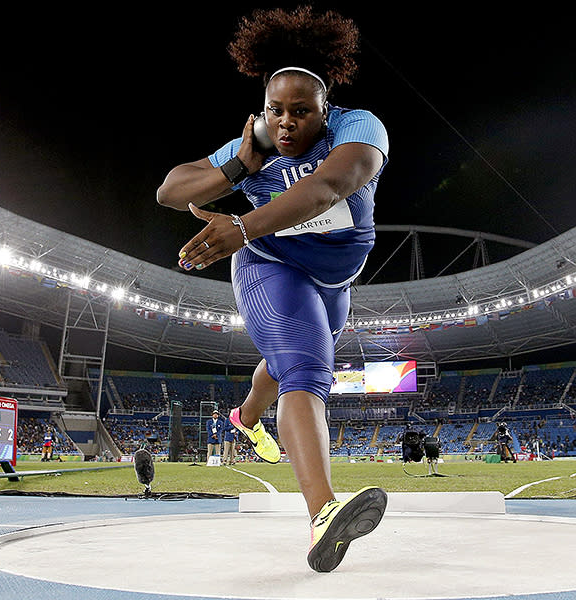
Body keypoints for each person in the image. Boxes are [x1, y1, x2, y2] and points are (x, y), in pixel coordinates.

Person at [156, 5, 388, 572]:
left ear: (325, 112)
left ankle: (247, 415)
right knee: (308, 369)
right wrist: (237, 169)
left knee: (289, 360)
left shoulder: (358, 129)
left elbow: (331, 185)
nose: (286, 124)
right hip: (270, 264)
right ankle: (323, 514)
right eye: (275, 111)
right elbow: (170, 189)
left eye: (301, 113)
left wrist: (239, 223)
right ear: (261, 112)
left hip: (334, 278)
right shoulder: (255, 143)